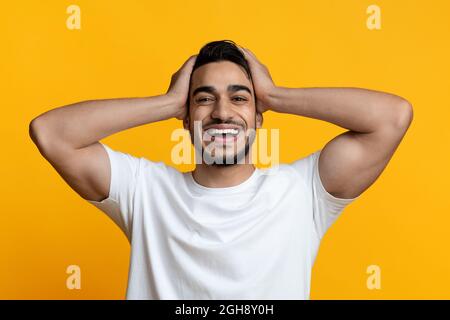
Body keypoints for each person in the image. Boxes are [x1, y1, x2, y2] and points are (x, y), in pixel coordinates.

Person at [29, 40, 413, 299]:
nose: (222, 113)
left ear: (259, 115)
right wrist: (167, 102)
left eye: (239, 98)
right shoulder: (144, 190)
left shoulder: (302, 192)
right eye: (204, 99)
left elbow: (393, 117)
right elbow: (50, 133)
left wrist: (275, 95)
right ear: (185, 116)